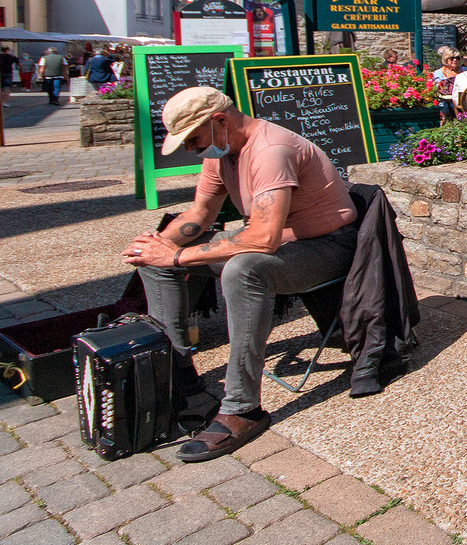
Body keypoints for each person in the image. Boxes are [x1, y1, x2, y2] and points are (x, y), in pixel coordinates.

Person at [122, 87, 358, 461]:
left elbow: (262, 240)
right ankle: (178, 375)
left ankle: (241, 408)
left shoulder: (270, 151)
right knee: (158, 260)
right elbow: (200, 216)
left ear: (219, 121)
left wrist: (178, 257)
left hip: (329, 246)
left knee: (242, 269)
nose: (191, 149)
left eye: (194, 139)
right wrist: (154, 247)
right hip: (282, 243)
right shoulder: (221, 152)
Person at [431, 46, 463, 121]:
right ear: (446, 59)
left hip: (463, 101)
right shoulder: (439, 73)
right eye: (452, 58)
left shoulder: (465, 71)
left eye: (457, 58)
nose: (455, 60)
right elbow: (437, 88)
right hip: (447, 103)